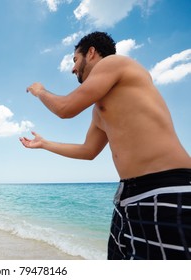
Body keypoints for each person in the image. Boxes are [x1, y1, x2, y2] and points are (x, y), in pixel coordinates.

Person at [20, 31, 191, 259]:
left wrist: (40, 91)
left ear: (91, 53)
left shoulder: (115, 62)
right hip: (128, 198)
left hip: (166, 188)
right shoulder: (100, 110)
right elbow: (88, 151)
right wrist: (45, 144)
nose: (72, 69)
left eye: (75, 60)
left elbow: (66, 108)